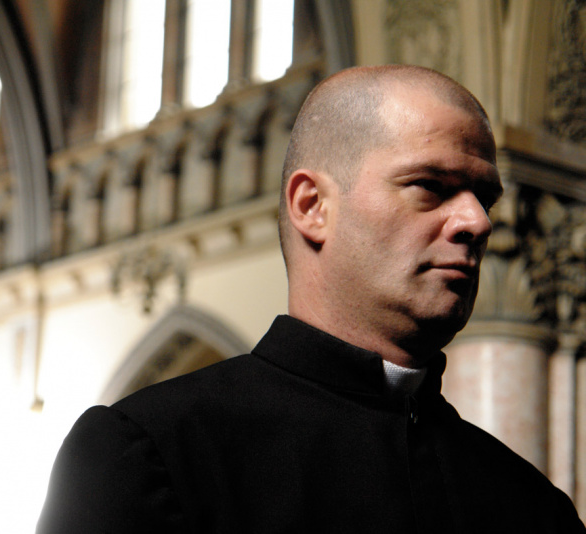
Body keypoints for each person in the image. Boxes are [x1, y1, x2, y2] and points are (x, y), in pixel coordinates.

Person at [36, 65, 585, 533]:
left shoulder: (535, 509)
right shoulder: (150, 453)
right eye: (430, 186)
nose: (477, 222)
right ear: (311, 206)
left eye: (485, 198)